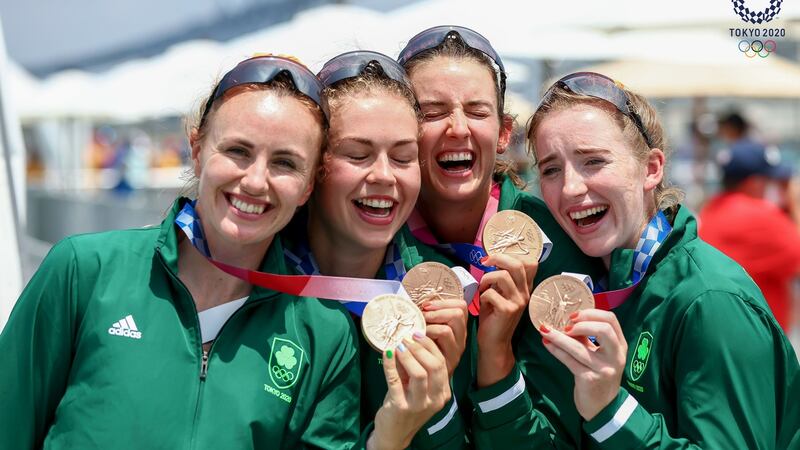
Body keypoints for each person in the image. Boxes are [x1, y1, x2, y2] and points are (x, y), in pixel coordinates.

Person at [1, 55, 383, 449]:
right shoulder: (85, 271)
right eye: (237, 150)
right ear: (197, 150)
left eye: (285, 163)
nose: (254, 180)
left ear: (307, 186)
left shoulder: (323, 333)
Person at [510, 71, 800, 448]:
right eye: (550, 169)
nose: (570, 188)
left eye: (593, 161)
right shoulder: (605, 282)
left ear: (651, 169)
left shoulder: (710, 300)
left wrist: (611, 411)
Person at [397, 26, 602, 446]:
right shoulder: (377, 242)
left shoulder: (559, 243)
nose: (457, 128)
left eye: (476, 111)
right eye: (432, 111)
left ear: (505, 133)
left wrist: (497, 357)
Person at [281, 50, 466, 449]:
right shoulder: (255, 288)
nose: (383, 175)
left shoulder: (444, 298)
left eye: (403, 157)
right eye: (357, 155)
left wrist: (436, 405)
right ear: (314, 166)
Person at [699, 140, 800, 332]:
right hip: (757, 342)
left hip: (726, 332)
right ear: (754, 183)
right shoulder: (760, 216)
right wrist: (795, 204)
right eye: (774, 181)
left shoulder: (711, 210)